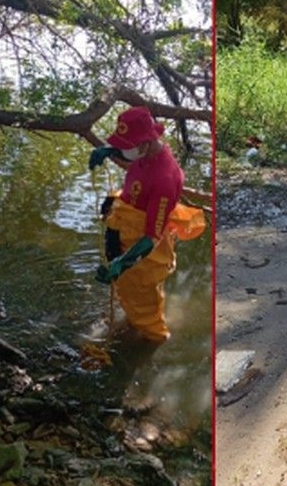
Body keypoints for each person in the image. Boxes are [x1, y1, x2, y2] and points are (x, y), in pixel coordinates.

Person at [87, 107, 205, 343]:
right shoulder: (145, 153)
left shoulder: (165, 179)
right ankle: (130, 317)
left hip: (142, 249)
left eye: (126, 146)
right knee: (127, 292)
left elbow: (152, 237)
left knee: (145, 305)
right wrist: (108, 150)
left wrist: (123, 262)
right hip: (125, 226)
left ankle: (151, 346)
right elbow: (130, 158)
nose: (122, 151)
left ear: (147, 143)